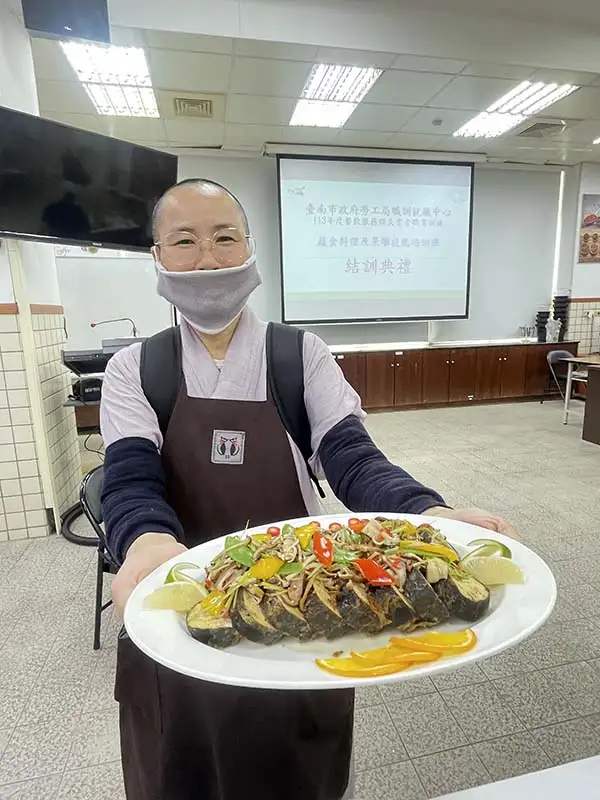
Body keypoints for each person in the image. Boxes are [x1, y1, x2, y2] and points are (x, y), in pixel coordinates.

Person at [101, 178, 516, 800]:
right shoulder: (135, 368)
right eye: (184, 241)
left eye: (223, 238)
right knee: (181, 770)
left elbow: (351, 458)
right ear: (157, 257)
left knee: (297, 772)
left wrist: (430, 511)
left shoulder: (301, 355)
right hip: (180, 610)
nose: (208, 258)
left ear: (250, 249)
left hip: (303, 599)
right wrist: (146, 541)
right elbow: (131, 474)